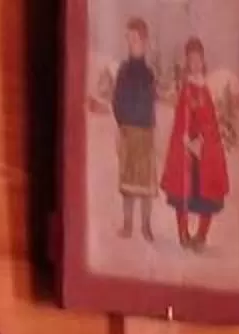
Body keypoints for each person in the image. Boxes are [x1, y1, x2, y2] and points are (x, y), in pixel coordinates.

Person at [90, 15, 163, 242]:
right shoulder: (123, 70)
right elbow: (117, 99)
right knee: (128, 183)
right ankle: (128, 225)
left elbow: (151, 101)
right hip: (128, 131)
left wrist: (149, 126)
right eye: (129, 39)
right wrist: (121, 123)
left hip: (145, 132)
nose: (132, 43)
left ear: (145, 41)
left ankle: (146, 226)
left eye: (136, 39)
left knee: (146, 183)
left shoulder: (149, 74)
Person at [162, 38, 232, 251]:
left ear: (203, 61)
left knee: (208, 193)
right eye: (190, 60)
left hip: (205, 149)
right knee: (182, 190)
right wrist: (186, 139)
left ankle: (201, 235)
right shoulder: (185, 89)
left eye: (197, 59)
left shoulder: (206, 88)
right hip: (186, 149)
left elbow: (210, 119)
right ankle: (183, 234)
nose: (194, 63)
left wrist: (203, 139)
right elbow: (181, 118)